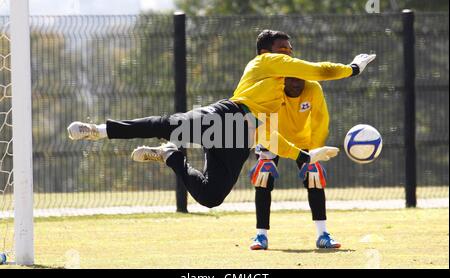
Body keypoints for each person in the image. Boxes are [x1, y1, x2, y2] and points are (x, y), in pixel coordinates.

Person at [67, 29, 376, 210]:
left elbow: (267, 136)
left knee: (211, 197)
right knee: (169, 124)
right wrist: (353, 69)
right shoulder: (267, 63)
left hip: (240, 137)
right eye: (285, 50)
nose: (290, 56)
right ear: (266, 52)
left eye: (291, 51)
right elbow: (320, 70)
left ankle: (171, 157)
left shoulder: (281, 93)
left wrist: (304, 155)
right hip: (225, 117)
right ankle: (99, 130)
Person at [249, 78, 340, 250]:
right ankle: (261, 236)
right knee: (263, 177)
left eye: (300, 78)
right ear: (283, 79)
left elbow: (320, 121)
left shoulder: (313, 88)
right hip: (273, 137)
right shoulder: (272, 88)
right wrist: (264, 143)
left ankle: (323, 234)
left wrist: (316, 150)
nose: (297, 83)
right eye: (291, 79)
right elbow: (261, 116)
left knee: (315, 176)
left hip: (303, 139)